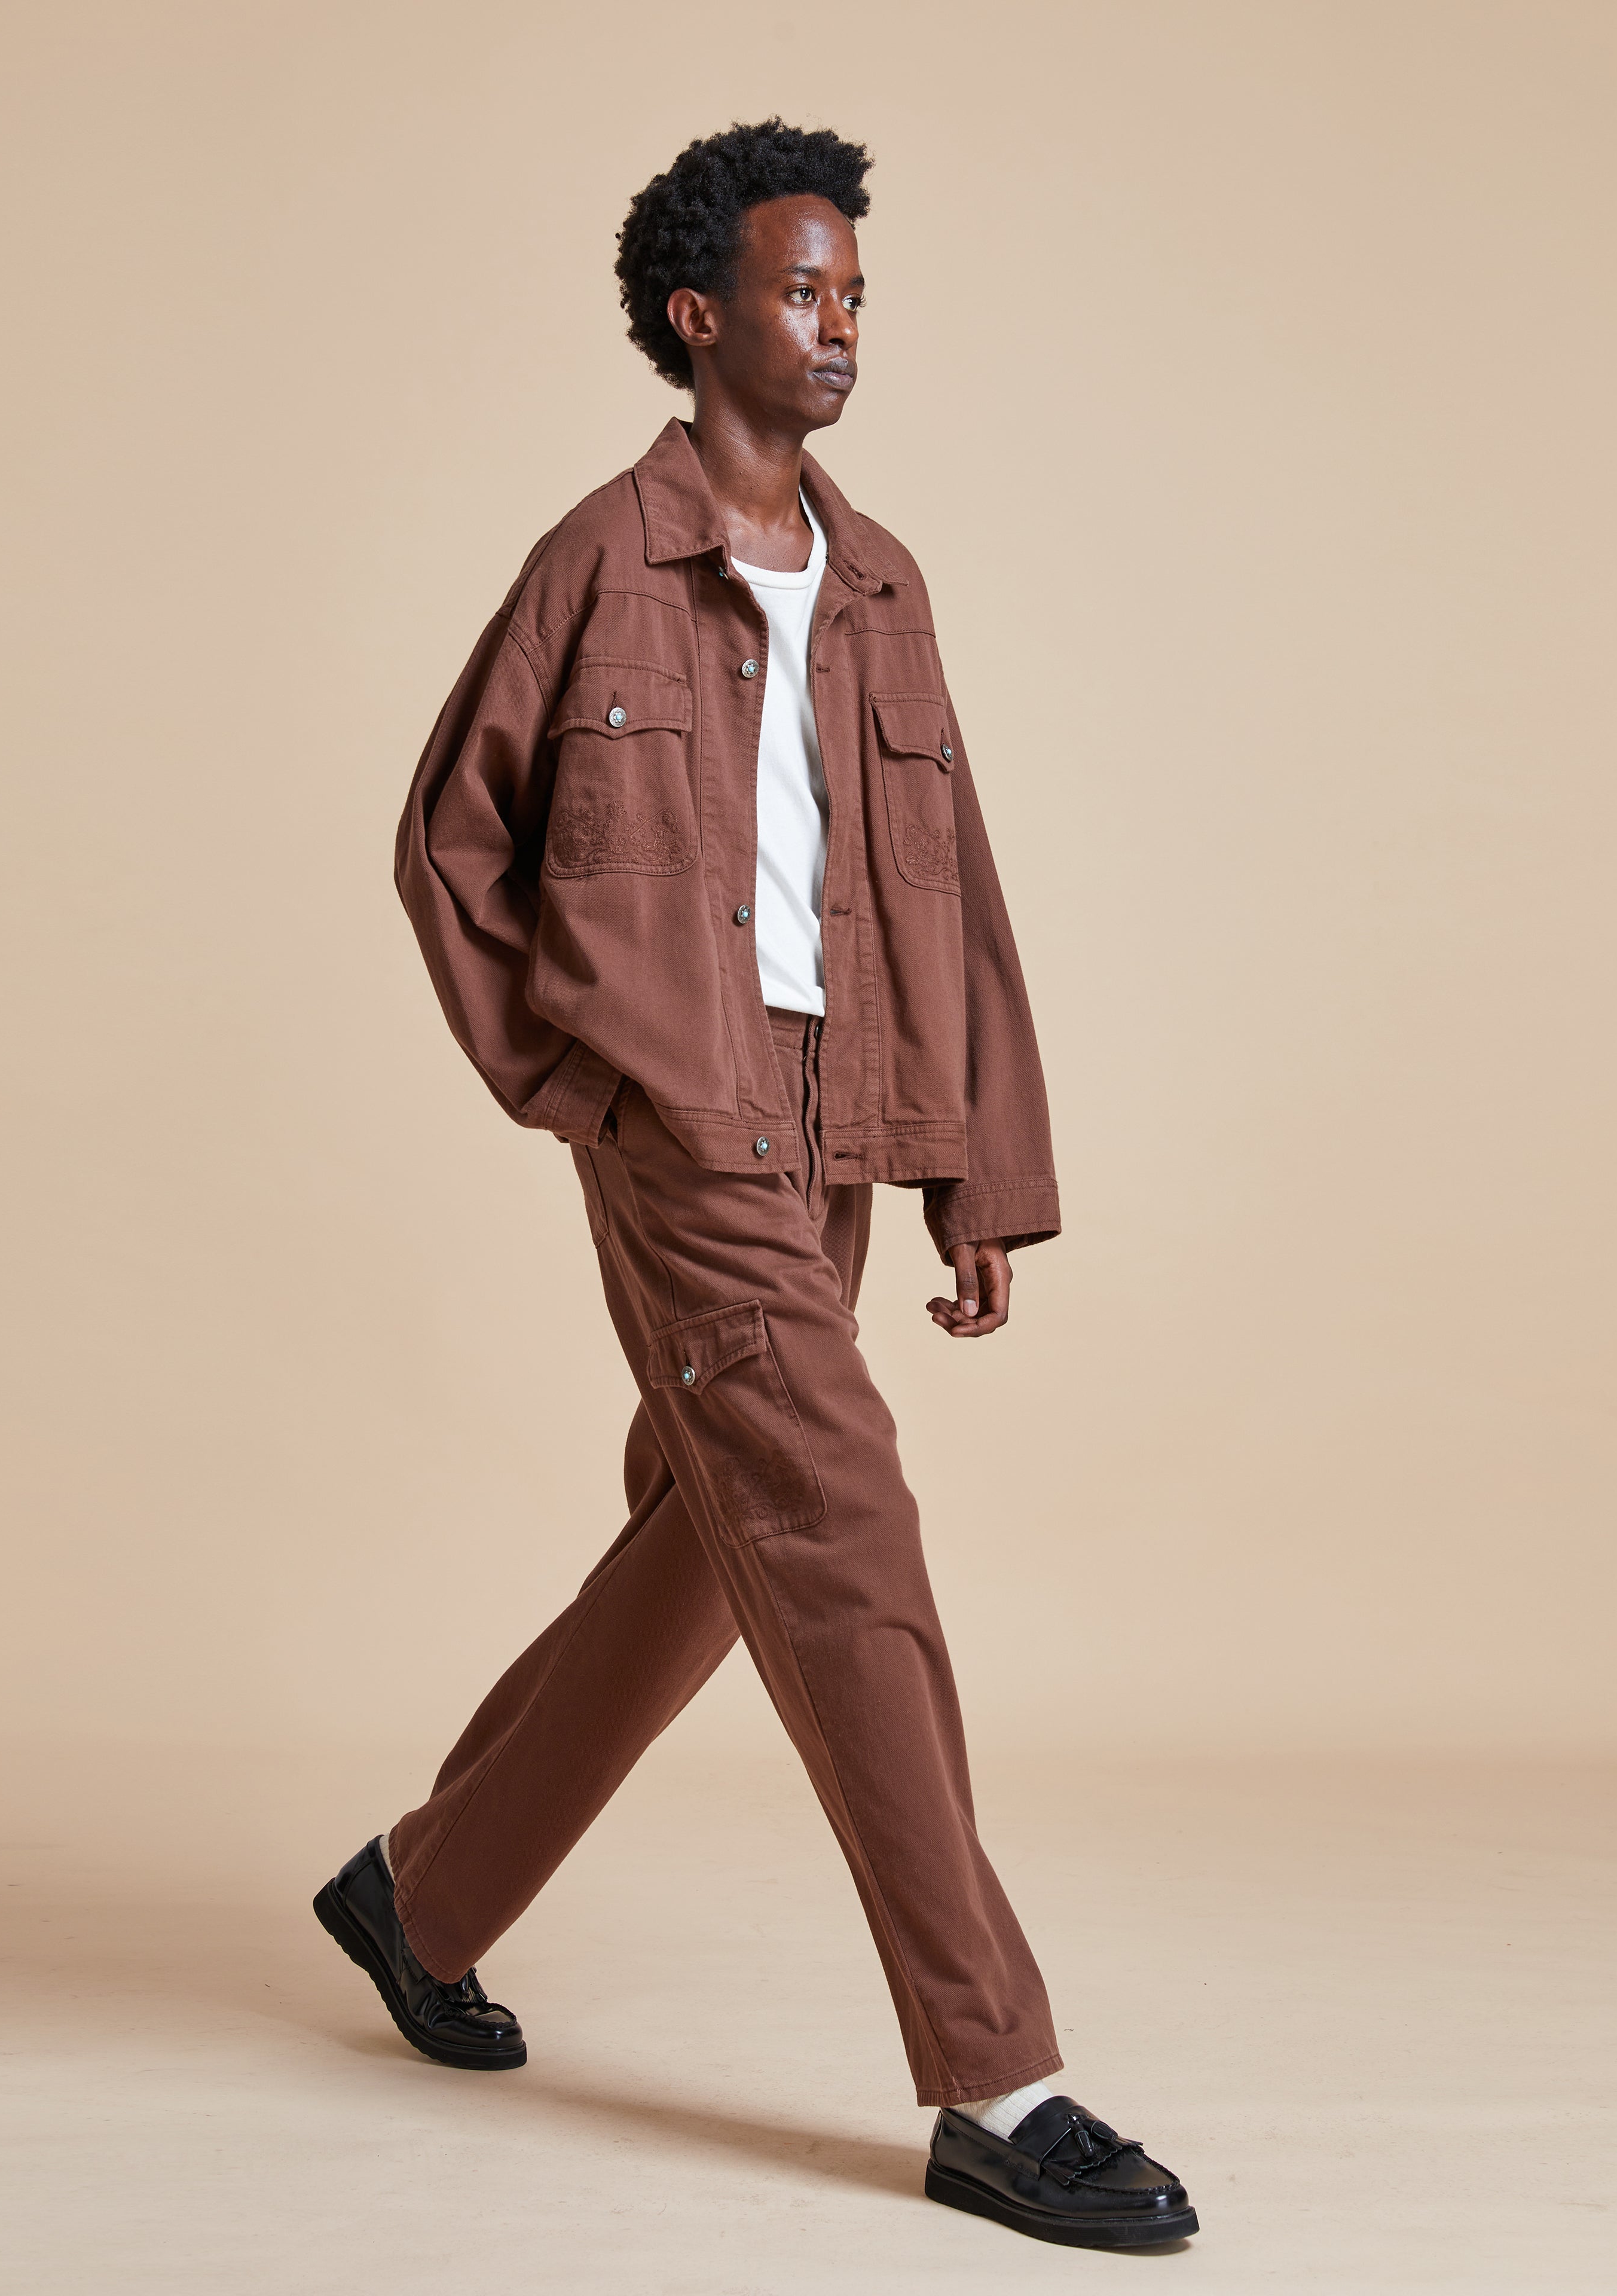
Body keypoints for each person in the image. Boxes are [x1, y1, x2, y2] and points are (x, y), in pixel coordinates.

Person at [313, 119, 1199, 2254]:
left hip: (844, 1114)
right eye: (806, 294)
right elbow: (450, 840)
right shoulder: (599, 560)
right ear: (699, 313)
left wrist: (980, 1164)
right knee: (841, 1522)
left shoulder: (882, 582)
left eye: (859, 296)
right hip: (686, 1113)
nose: (842, 328)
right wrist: (581, 1081)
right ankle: (997, 2076)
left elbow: (955, 880)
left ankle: (421, 1897)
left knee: (719, 1546)